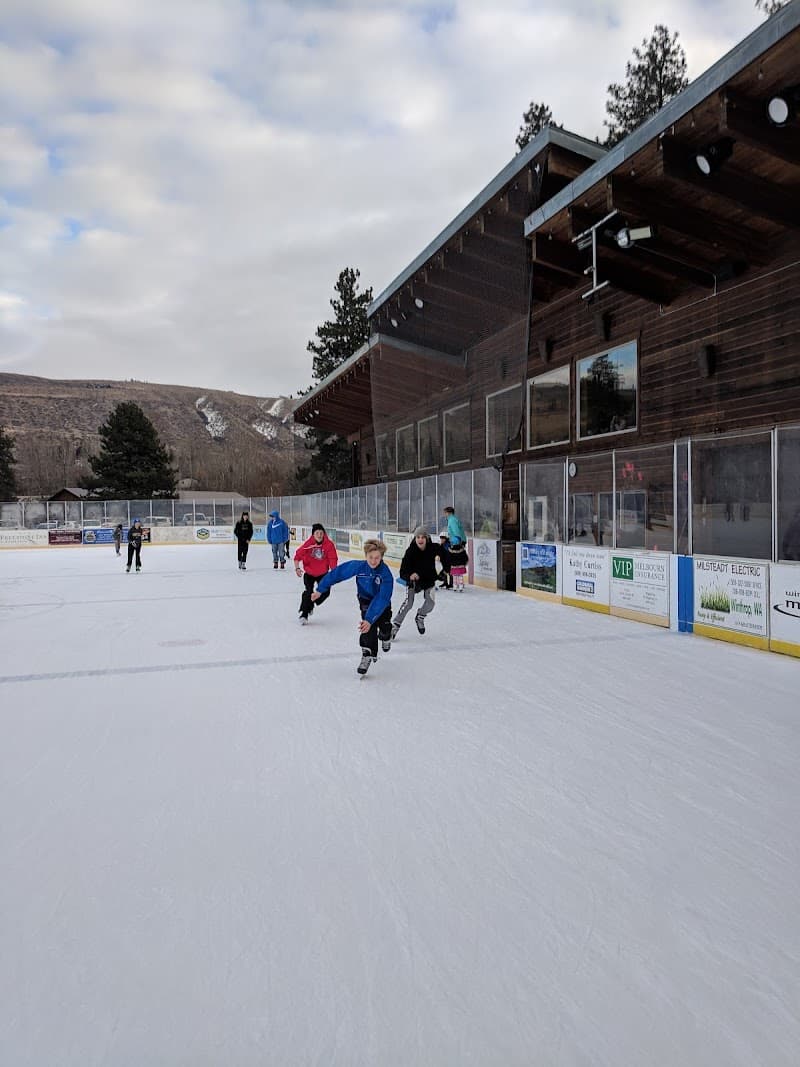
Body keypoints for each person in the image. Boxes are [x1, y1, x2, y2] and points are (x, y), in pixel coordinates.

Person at [312, 538, 394, 676]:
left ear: (381, 557)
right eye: (370, 557)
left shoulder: (385, 574)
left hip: (382, 603)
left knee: (385, 626)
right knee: (367, 628)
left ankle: (386, 636)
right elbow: (338, 573)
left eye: (377, 558)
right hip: (365, 600)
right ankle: (367, 653)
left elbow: (382, 597)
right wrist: (321, 589)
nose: (373, 561)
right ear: (366, 556)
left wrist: (370, 618)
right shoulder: (359, 566)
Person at [391, 527, 441, 639]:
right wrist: (410, 575)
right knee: (409, 603)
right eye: (418, 537)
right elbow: (402, 571)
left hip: (428, 580)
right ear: (415, 538)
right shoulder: (410, 552)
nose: (420, 539)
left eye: (423, 537)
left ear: (427, 539)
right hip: (413, 581)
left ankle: (420, 616)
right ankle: (395, 625)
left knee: (431, 603)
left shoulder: (431, 549)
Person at [294, 522, 338, 623]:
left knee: (325, 592)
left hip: (323, 573)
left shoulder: (329, 545)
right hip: (309, 573)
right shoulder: (308, 544)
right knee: (308, 592)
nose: (319, 535)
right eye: (317, 533)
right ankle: (304, 614)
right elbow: (297, 556)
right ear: (313, 534)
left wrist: (334, 572)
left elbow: (332, 559)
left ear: (324, 534)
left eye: (321, 533)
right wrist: (297, 568)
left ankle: (310, 604)